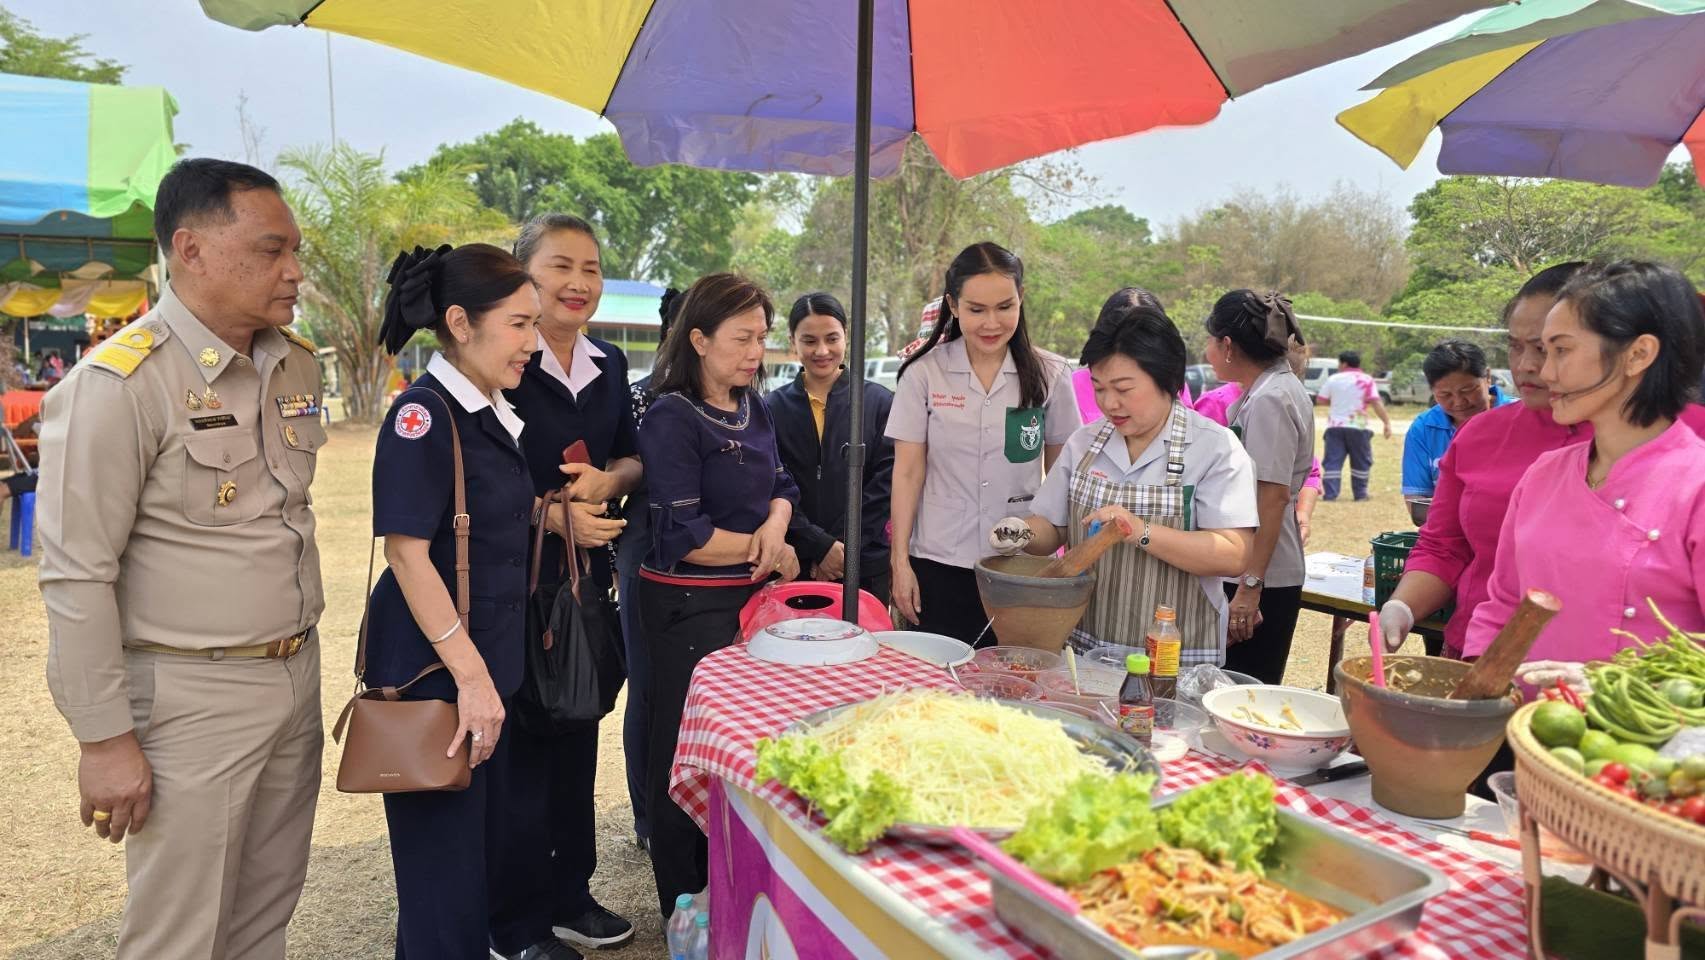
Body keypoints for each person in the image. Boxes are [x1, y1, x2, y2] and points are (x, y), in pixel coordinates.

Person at [36, 158, 325, 959]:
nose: (293, 271)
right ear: (190, 250)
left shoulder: (293, 362)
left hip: (294, 672)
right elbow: (76, 575)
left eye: (294, 250)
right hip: (190, 696)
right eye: (270, 250)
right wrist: (104, 739)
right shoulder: (120, 385)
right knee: (179, 936)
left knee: (264, 916)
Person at [364, 243, 576, 960]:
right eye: (519, 324)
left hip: (483, 671)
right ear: (460, 322)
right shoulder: (424, 414)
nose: (532, 343)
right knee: (443, 878)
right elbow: (406, 553)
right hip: (439, 675)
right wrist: (472, 676)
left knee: (479, 857)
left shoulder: (488, 410)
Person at [637, 273, 800, 916]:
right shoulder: (671, 416)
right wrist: (770, 552)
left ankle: (733, 883)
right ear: (699, 339)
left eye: (762, 337)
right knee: (684, 744)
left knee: (741, 744)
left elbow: (782, 484)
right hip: (688, 607)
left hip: (752, 602)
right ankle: (681, 899)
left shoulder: (755, 405)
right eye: (742, 339)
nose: (756, 352)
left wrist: (777, 529)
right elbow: (686, 535)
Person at [501, 215, 638, 950]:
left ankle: (570, 894)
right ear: (523, 273)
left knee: (577, 733)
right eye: (560, 265)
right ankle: (514, 919)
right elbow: (476, 476)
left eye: (591, 267)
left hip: (583, 589)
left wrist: (607, 482)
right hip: (512, 588)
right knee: (521, 750)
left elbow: (632, 458)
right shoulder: (504, 359)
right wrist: (550, 517)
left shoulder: (608, 363)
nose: (579, 282)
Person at [992, 289, 1256, 661]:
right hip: (1085, 648)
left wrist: (1139, 530)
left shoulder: (1214, 448)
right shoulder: (1084, 443)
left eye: (1123, 389)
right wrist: (1020, 532)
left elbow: (1232, 553)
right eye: (1099, 388)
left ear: (1166, 379)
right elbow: (1053, 526)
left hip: (1173, 658)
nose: (1109, 403)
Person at [1465, 261, 1705, 667]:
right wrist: (1477, 684)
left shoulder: (1695, 487)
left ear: (1638, 355)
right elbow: (1504, 604)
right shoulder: (1544, 474)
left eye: (1561, 350)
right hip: (1519, 707)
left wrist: (1613, 688)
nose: (1545, 372)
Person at [1377, 264, 1589, 659]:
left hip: (1597, 672)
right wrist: (1403, 606)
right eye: (1515, 346)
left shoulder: (1646, 446)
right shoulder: (1480, 434)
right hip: (1477, 651)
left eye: (1546, 348)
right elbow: (1444, 544)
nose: (1525, 365)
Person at [886, 242, 1078, 646]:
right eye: (976, 310)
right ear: (953, 306)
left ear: (1021, 298)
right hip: (939, 560)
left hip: (1021, 565)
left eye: (1005, 307)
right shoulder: (923, 374)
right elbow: (907, 472)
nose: (992, 323)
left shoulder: (1052, 374)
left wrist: (1064, 558)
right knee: (940, 675)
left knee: (1016, 676)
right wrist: (899, 562)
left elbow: (1064, 476)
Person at [1203, 290, 1314, 685]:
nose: (1206, 352)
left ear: (1227, 346)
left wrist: (1250, 586)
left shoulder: (1272, 399)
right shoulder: (1268, 391)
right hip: (1256, 565)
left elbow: (1272, 496)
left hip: (1262, 572)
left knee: (1243, 692)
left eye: (1209, 341)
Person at [767, 292, 896, 603]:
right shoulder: (771, 408)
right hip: (795, 563)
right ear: (793, 341)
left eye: (832, 338)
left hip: (865, 564)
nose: (822, 350)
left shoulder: (879, 402)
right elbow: (769, 483)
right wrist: (818, 545)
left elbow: (886, 486)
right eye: (809, 341)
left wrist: (840, 548)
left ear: (846, 337)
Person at [614, 286, 682, 853]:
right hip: (645, 554)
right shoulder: (638, 399)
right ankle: (647, 819)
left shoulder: (738, 401)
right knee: (647, 689)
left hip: (713, 564)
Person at [1192, 339, 1324, 546]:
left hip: (1271, 535)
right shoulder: (1215, 402)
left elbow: (1308, 474)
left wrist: (1303, 514)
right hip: (1222, 532)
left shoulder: (1281, 399)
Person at [1400, 339, 1512, 503]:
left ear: (1487, 377)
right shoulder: (1423, 429)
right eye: (1445, 395)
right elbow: (1417, 500)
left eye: (1467, 390)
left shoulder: (1522, 417)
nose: (1459, 402)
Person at [1315, 350, 1392, 501]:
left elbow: (1320, 400)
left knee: (1333, 461)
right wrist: (1386, 422)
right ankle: (1360, 494)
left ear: (1344, 364)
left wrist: (1336, 402)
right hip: (1359, 426)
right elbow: (1376, 402)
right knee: (1361, 461)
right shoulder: (1367, 380)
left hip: (1335, 427)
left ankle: (1330, 494)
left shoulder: (1333, 379)